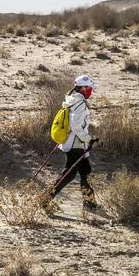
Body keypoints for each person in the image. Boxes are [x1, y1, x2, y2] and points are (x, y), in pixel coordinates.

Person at [45, 75, 98, 211]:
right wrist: (88, 139)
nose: (90, 92)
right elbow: (76, 126)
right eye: (89, 89)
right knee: (69, 174)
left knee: (86, 171)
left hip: (74, 142)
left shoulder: (72, 100)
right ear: (83, 88)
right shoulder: (79, 103)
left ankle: (89, 203)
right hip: (76, 143)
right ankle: (45, 199)